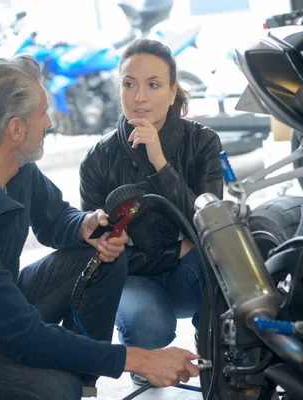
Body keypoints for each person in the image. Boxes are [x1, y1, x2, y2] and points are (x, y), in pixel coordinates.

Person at [0, 55, 200, 400]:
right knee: (55, 389)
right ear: (15, 129)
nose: (49, 123)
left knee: (104, 258)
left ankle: (83, 386)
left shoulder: (13, 166)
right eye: (42, 114)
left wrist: (85, 226)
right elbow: (23, 337)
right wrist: (141, 360)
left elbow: (56, 220)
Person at [80, 39, 223, 386]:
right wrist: (176, 250)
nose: (139, 97)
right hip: (132, 278)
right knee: (147, 326)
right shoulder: (98, 158)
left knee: (217, 264)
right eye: (129, 84)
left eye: (153, 85)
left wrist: (160, 163)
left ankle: (217, 357)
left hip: (186, 276)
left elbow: (209, 228)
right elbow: (96, 253)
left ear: (173, 92)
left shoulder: (203, 143)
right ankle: (145, 362)